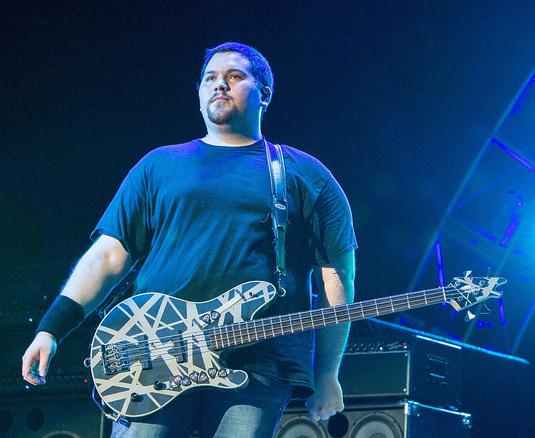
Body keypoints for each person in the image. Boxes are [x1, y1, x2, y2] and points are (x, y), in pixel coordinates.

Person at [21, 42, 357, 438]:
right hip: (152, 353)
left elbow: (336, 278)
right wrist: (51, 328)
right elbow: (109, 257)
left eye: (234, 76)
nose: (220, 85)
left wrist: (328, 374)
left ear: (264, 93)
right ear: (198, 93)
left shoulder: (306, 174)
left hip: (256, 363)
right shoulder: (160, 164)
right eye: (210, 79)